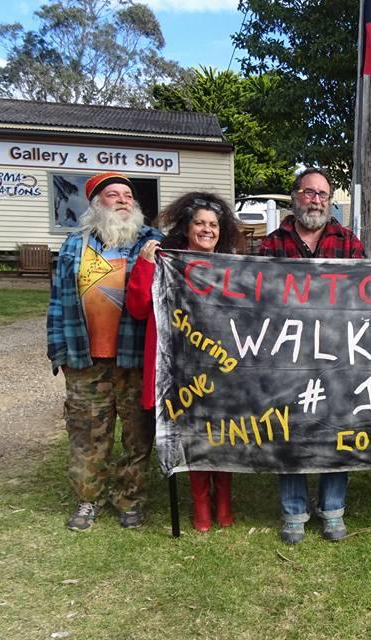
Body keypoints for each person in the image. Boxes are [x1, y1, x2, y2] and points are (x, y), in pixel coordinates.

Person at [47, 171, 163, 531]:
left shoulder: (153, 243)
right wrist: (58, 352)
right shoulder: (73, 245)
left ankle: (129, 499)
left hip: (134, 358)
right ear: (97, 204)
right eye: (113, 195)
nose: (123, 200)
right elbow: (58, 303)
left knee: (137, 435)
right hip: (85, 359)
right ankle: (88, 500)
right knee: (87, 436)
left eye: (128, 195)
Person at [259, 167, 366, 544]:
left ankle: (333, 510)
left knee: (337, 428)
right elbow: (258, 300)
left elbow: (366, 297)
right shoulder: (272, 245)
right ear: (295, 197)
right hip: (289, 356)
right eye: (309, 193)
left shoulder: (349, 243)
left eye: (323, 194)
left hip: (338, 353)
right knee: (292, 428)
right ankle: (293, 511)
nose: (316, 200)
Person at [126, 192, 240, 533]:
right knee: (190, 434)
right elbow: (137, 308)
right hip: (179, 364)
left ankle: (224, 503)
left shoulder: (232, 265)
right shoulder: (164, 262)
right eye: (200, 223)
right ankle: (201, 506)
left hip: (221, 362)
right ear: (187, 228)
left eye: (213, 225)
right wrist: (146, 267)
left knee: (222, 434)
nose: (207, 230)